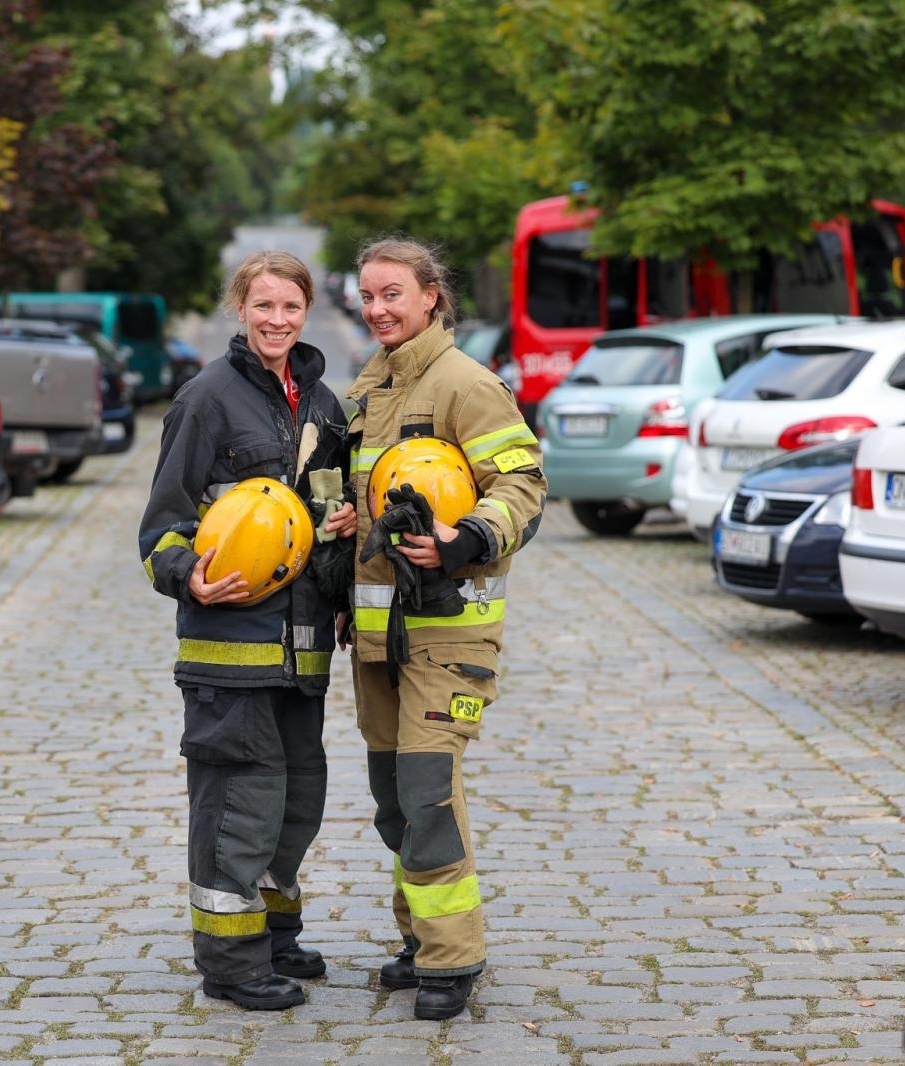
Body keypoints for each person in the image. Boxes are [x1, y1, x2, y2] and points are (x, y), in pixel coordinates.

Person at [138, 251, 357, 1011]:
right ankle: (231, 965)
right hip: (228, 646)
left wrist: (343, 540)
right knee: (238, 799)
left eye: (290, 307)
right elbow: (163, 524)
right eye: (263, 306)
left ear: (306, 312)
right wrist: (184, 574)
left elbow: (327, 519)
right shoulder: (206, 400)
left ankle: (276, 937)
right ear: (241, 308)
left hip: (302, 649)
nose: (277, 320)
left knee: (297, 797)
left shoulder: (325, 404)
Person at [344, 238, 547, 1020]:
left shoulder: (464, 383)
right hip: (377, 634)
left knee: (427, 791)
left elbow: (523, 481)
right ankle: (421, 939)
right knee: (394, 798)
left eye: (393, 293)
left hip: (448, 630)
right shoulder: (374, 387)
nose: (378, 309)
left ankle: (454, 961)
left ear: (433, 296)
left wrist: (467, 540)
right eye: (368, 295)